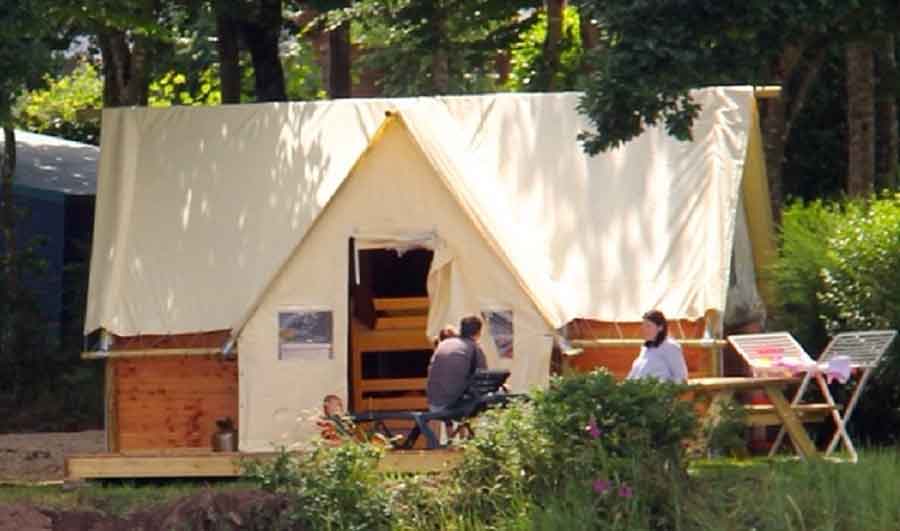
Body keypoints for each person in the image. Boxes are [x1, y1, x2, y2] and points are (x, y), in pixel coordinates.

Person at [426, 315, 487, 412]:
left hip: (433, 404)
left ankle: (461, 426)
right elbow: (484, 378)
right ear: (479, 332)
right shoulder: (474, 348)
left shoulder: (444, 343)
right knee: (493, 397)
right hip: (452, 405)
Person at [626, 310, 688, 383]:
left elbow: (681, 376)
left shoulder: (670, 347)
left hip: (660, 393)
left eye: (648, 326)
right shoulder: (646, 348)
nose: (644, 329)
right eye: (643, 325)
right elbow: (634, 373)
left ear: (660, 327)